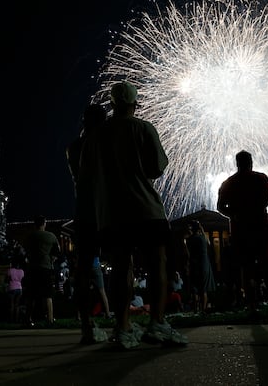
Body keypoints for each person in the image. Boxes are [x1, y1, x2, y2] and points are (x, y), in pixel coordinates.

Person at [83, 81, 188, 349]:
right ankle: (157, 323)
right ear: (135, 103)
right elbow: (156, 168)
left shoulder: (96, 135)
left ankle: (123, 327)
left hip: (112, 213)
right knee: (157, 265)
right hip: (146, 209)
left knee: (120, 268)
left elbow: (88, 175)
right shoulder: (143, 128)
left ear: (113, 103)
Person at [217, 150, 268, 319]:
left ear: (237, 163)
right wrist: (256, 209)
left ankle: (252, 307)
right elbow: (267, 199)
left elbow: (220, 206)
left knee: (247, 269)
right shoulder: (261, 178)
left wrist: (234, 214)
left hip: (240, 230)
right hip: (260, 227)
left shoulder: (228, 183)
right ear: (251, 162)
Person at [66, 102, 110, 344]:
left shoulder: (74, 147)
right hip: (105, 209)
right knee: (124, 262)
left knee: (82, 270)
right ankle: (121, 323)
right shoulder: (104, 144)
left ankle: (86, 326)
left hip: (83, 211)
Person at [24, 215, 61, 326]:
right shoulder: (51, 236)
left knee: (31, 295)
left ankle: (28, 319)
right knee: (48, 294)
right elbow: (57, 251)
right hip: (46, 267)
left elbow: (26, 250)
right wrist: (51, 259)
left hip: (33, 267)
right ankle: (50, 319)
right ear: (44, 223)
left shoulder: (30, 236)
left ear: (35, 224)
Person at [187, 220, 216, 314]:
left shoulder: (189, 240)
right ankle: (203, 310)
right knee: (203, 289)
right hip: (203, 265)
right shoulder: (202, 238)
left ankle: (196, 310)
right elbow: (208, 243)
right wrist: (202, 229)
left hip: (193, 264)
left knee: (195, 288)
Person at [4, 259, 25, 323]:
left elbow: (6, 280)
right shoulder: (22, 271)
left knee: (11, 305)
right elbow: (22, 280)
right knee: (17, 304)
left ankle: (11, 320)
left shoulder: (10, 270)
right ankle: (16, 320)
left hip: (12, 288)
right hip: (19, 288)